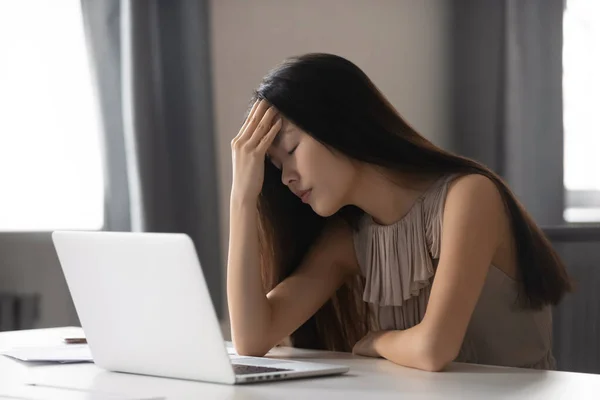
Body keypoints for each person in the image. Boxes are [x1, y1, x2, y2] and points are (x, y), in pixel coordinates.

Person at [226, 53, 572, 372]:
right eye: (276, 166)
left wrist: (378, 340)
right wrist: (242, 197)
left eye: (291, 149)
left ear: (341, 123)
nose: (286, 177)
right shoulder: (350, 239)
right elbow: (253, 340)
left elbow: (433, 349)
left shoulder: (468, 197)